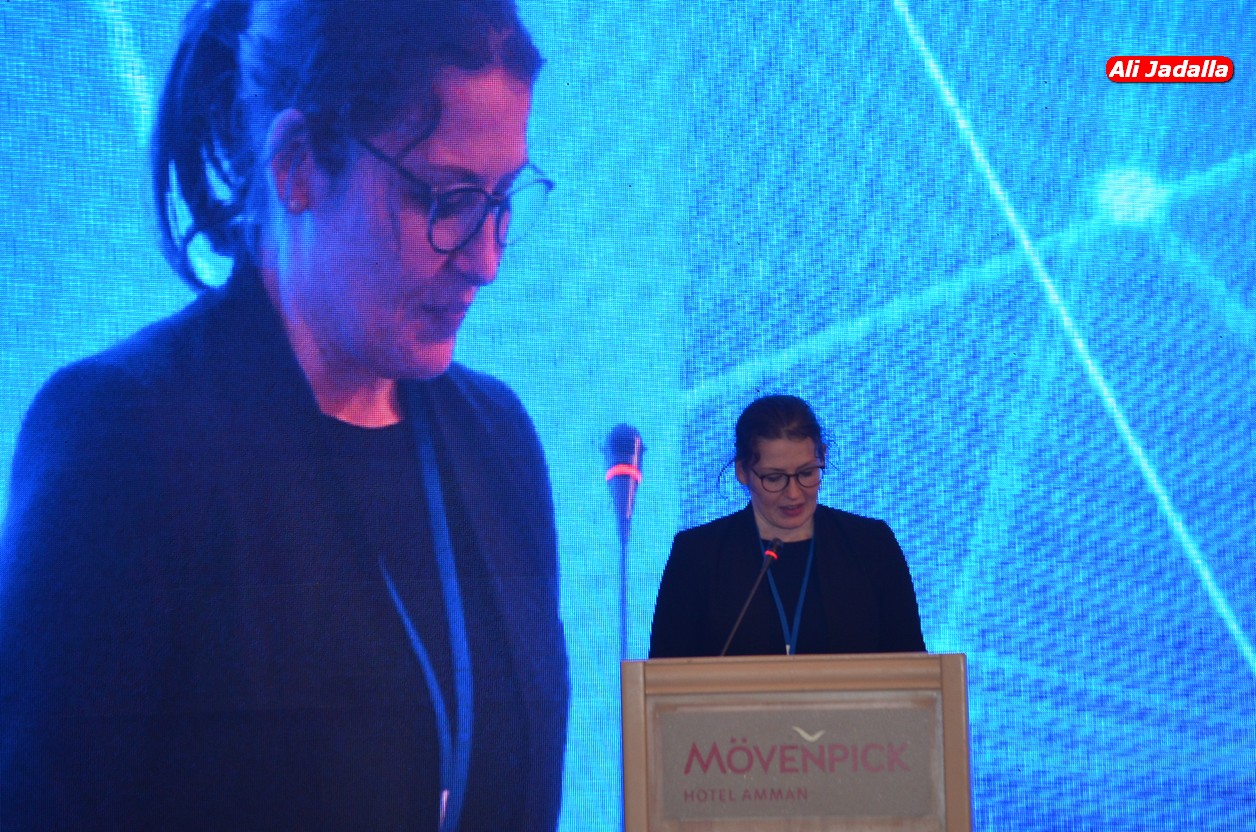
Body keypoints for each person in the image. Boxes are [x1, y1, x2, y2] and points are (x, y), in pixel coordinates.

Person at [0, 1, 568, 829]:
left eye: (502, 197)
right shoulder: (122, 438)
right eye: (446, 199)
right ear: (298, 165)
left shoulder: (498, 442)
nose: (485, 259)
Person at [649, 395, 925, 658]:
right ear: (742, 471)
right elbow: (666, 678)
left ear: (823, 456)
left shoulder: (871, 545)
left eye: (807, 473)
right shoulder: (698, 555)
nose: (793, 493)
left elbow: (911, 667)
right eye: (774, 478)